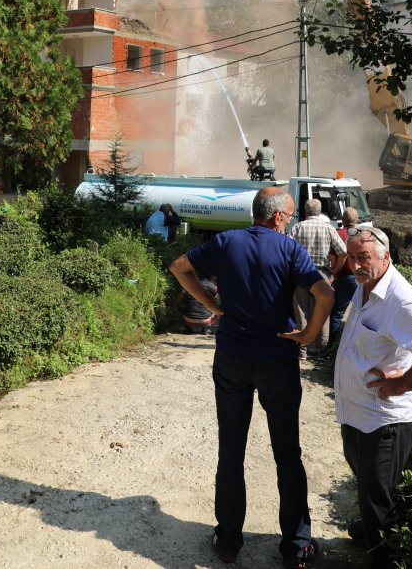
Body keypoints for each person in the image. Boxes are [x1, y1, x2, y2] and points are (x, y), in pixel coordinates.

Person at [169, 186, 334, 568]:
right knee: (287, 454)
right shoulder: (289, 249)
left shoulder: (226, 242)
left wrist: (214, 306)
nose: (289, 222)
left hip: (232, 359)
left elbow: (180, 267)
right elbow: (325, 295)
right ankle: (295, 547)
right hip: (277, 360)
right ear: (276, 217)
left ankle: (228, 543)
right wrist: (308, 335)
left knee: (231, 451)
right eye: (289, 217)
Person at [334, 226, 412, 569]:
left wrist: (400, 385)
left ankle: (384, 557)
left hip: (384, 419)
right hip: (356, 412)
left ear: (386, 256)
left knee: (378, 496)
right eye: (351, 257)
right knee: (366, 482)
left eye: (363, 258)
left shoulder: (401, 300)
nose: (355, 265)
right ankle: (371, 530)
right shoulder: (364, 284)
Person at [290, 197, 347, 360]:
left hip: (301, 274)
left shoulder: (298, 227)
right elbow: (343, 251)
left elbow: (287, 250)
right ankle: (321, 350)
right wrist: (335, 271)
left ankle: (302, 350)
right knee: (322, 310)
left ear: (305, 212)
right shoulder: (328, 228)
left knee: (300, 311)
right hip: (322, 274)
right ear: (320, 212)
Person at [328, 206, 359, 344]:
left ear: (342, 220)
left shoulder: (337, 234)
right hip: (361, 278)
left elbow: (332, 257)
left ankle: (331, 345)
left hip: (344, 278)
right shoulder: (364, 234)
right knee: (362, 315)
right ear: (357, 220)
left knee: (336, 314)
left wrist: (333, 273)